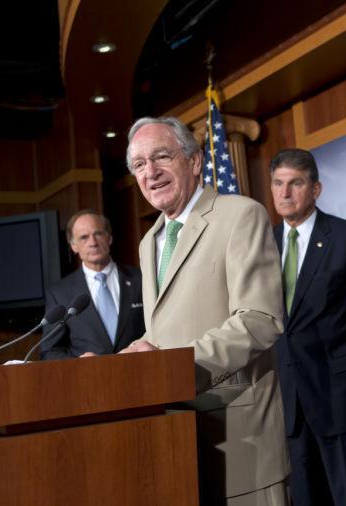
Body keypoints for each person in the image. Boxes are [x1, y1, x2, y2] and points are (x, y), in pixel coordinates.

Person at [121, 116, 289, 506]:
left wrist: (174, 366)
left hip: (239, 436)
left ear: (195, 161)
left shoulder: (240, 215)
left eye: (161, 157)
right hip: (177, 438)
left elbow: (260, 320)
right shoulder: (150, 242)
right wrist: (124, 361)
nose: (151, 173)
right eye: (140, 165)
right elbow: (162, 331)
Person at [269, 148, 346, 506]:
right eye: (278, 184)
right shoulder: (262, 245)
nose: (285, 194)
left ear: (316, 189)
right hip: (289, 404)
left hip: (341, 400)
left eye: (295, 184)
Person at [41, 210, 144, 359]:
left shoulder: (140, 278)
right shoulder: (59, 293)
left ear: (109, 238)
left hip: (141, 371)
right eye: (84, 237)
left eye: (98, 234)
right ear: (73, 246)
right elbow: (49, 351)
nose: (93, 243)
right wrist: (78, 364)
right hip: (88, 378)